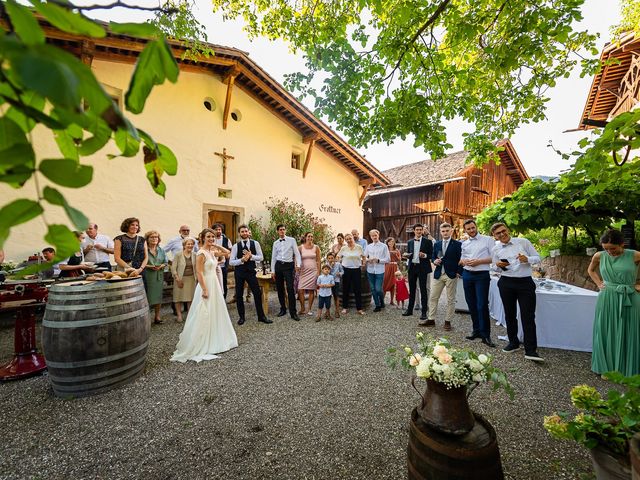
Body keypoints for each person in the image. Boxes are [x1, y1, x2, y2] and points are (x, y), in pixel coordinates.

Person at [170, 228, 238, 363]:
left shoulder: (212, 251)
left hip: (215, 283)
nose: (211, 239)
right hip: (206, 284)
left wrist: (216, 244)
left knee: (215, 310)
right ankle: (202, 339)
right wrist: (204, 289)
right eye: (208, 237)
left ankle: (216, 336)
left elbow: (228, 253)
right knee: (204, 310)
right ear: (202, 238)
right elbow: (199, 272)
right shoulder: (201, 253)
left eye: (213, 237)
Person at [587, 229, 640, 377]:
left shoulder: (634, 255)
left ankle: (629, 370)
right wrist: (599, 283)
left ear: (622, 244)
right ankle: (607, 369)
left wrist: (637, 285)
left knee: (630, 331)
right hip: (607, 297)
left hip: (630, 298)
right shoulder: (599, 256)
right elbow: (591, 270)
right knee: (606, 330)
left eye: (613, 248)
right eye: (606, 249)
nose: (610, 252)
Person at [490, 222, 543, 361]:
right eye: (498, 233)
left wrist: (528, 259)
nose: (502, 234)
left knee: (528, 316)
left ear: (508, 230)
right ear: (494, 236)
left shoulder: (523, 242)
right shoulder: (495, 249)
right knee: (509, 314)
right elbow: (493, 267)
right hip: (506, 282)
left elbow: (538, 258)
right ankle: (513, 342)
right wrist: (497, 265)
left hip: (525, 282)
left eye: (503, 231)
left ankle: (531, 349)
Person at [459, 219, 495, 347]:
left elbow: (494, 257)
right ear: (465, 230)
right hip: (467, 274)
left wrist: (478, 262)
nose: (471, 230)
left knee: (482, 304)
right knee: (471, 304)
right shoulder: (464, 243)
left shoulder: (488, 240)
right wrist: (464, 262)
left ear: (476, 227)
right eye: (468, 229)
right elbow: (461, 259)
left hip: (481, 275)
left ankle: (486, 335)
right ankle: (476, 330)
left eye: (473, 228)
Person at [229, 224, 272, 325]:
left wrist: (251, 256)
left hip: (251, 272)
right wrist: (242, 260)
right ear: (239, 233)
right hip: (239, 272)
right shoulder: (236, 246)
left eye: (246, 231)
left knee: (257, 293)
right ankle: (242, 317)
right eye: (242, 231)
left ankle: (261, 316)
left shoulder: (255, 243)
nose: (244, 233)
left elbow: (261, 257)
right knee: (239, 295)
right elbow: (231, 262)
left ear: (249, 232)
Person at [426, 223, 463, 331]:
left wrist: (459, 272)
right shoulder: (437, 244)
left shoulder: (458, 244)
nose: (445, 233)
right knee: (433, 297)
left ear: (451, 231)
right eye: (443, 231)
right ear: (441, 232)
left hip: (451, 275)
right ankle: (431, 319)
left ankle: (448, 321)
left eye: (447, 230)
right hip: (438, 274)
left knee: (451, 299)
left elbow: (462, 259)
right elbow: (433, 256)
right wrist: (434, 261)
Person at [402, 223, 433, 321]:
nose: (419, 231)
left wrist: (424, 255)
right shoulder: (410, 242)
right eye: (417, 230)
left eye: (420, 229)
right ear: (414, 231)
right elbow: (410, 254)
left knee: (423, 290)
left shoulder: (428, 242)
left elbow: (432, 255)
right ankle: (409, 310)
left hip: (423, 267)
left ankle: (424, 312)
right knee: (412, 289)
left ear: (423, 230)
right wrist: (407, 255)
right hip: (412, 267)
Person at [271, 224, 302, 321]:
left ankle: (293, 312)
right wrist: (273, 271)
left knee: (290, 288)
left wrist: (298, 265)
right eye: (280, 230)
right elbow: (273, 257)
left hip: (289, 266)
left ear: (285, 230)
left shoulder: (292, 240)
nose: (282, 231)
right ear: (277, 231)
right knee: (280, 288)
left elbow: (297, 254)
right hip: (279, 266)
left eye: (284, 229)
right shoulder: (275, 243)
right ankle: (283, 309)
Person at [143, 230, 168, 325]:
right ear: (147, 239)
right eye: (152, 237)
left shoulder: (161, 250)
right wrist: (149, 266)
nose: (154, 239)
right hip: (148, 276)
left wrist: (162, 266)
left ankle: (157, 316)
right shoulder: (144, 250)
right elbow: (140, 264)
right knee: (147, 296)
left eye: (156, 237)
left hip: (159, 276)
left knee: (158, 296)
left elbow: (165, 262)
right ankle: (146, 317)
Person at [337, 233, 365, 315]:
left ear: (353, 238)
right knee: (346, 289)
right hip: (346, 270)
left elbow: (363, 257)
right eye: (347, 239)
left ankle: (359, 309)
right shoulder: (344, 248)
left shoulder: (359, 247)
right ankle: (345, 308)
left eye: (350, 238)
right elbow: (338, 256)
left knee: (357, 289)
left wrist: (363, 264)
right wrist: (340, 262)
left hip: (356, 270)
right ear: (345, 240)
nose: (349, 240)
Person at [171, 237, 197, 323]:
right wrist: (177, 279)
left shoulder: (195, 255)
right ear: (184, 245)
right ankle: (179, 315)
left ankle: (190, 315)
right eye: (188, 244)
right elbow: (173, 268)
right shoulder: (178, 255)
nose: (190, 245)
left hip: (191, 279)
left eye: (191, 244)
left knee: (190, 298)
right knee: (178, 298)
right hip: (180, 278)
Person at [364, 229, 390, 312]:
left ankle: (382, 301)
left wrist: (378, 260)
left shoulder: (384, 246)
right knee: (372, 289)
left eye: (375, 235)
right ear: (370, 237)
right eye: (372, 236)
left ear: (378, 235)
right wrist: (368, 260)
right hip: (370, 270)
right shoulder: (368, 246)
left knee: (378, 289)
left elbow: (388, 259)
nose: (374, 237)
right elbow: (364, 257)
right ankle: (377, 305)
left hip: (380, 270)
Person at [297, 232, 321, 315]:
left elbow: (318, 260)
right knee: (300, 290)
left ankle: (309, 309)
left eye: (311, 236)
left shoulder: (316, 247)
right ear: (305, 237)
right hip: (303, 272)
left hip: (313, 271)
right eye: (308, 236)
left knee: (311, 290)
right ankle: (302, 307)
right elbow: (296, 258)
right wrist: (297, 267)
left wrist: (318, 272)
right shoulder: (300, 247)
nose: (310, 238)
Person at [212, 223, 232, 299]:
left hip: (223, 266)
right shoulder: (211, 239)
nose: (218, 231)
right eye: (216, 229)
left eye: (219, 229)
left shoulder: (227, 240)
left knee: (223, 282)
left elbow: (230, 250)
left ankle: (223, 299)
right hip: (212, 266)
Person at [382, 237, 401, 306]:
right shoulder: (385, 250)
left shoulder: (397, 250)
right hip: (387, 267)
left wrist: (395, 254)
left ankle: (392, 301)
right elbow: (382, 258)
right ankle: (382, 300)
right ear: (387, 243)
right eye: (389, 242)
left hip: (395, 267)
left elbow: (399, 260)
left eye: (392, 242)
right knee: (385, 282)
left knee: (394, 284)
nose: (391, 243)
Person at [327, 252, 343, 318]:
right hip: (329, 282)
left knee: (336, 296)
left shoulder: (338, 264)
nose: (330, 260)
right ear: (327, 259)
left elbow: (343, 271)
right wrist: (331, 267)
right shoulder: (327, 265)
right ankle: (327, 312)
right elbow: (325, 272)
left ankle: (337, 311)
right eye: (329, 258)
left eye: (332, 258)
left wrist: (340, 273)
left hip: (336, 281)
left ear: (334, 258)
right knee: (328, 296)